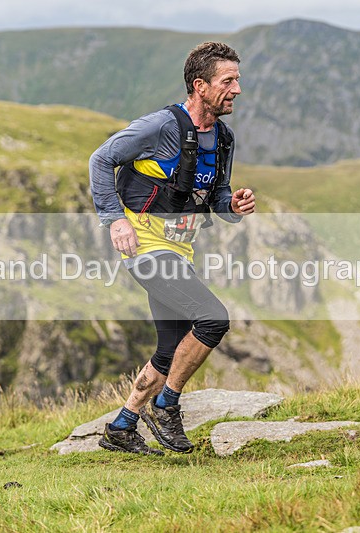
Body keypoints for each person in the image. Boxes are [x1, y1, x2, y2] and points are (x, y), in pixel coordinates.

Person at [89, 41, 256, 455]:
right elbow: (100, 159)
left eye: (237, 80)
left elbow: (216, 199)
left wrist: (233, 206)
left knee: (170, 347)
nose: (236, 89)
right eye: (228, 81)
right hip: (144, 246)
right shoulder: (158, 127)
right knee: (213, 319)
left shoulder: (223, 139)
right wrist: (115, 220)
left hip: (179, 250)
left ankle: (123, 426)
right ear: (200, 85)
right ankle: (167, 406)